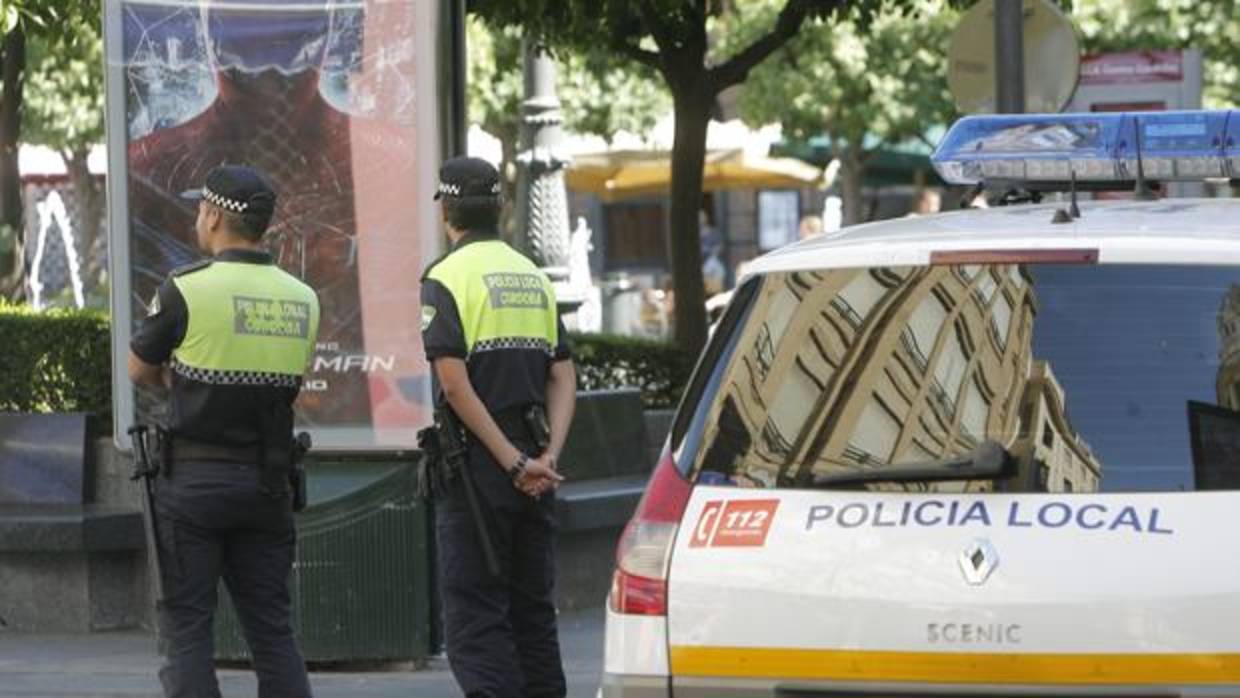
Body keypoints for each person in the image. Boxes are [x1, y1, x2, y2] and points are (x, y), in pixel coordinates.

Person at [127, 164, 320, 698]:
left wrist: (180, 376)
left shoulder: (185, 289)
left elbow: (139, 367)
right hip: (267, 484)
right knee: (274, 634)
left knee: (187, 629)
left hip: (193, 483)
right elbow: (285, 382)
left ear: (213, 216)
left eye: (200, 209)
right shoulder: (302, 298)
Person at [420, 156, 577, 698]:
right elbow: (563, 373)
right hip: (537, 466)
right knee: (532, 613)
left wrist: (511, 461)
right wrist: (547, 455)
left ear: (447, 211)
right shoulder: (531, 275)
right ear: (502, 207)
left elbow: (455, 386)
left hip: (480, 469)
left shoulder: (446, 277)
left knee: (476, 619)